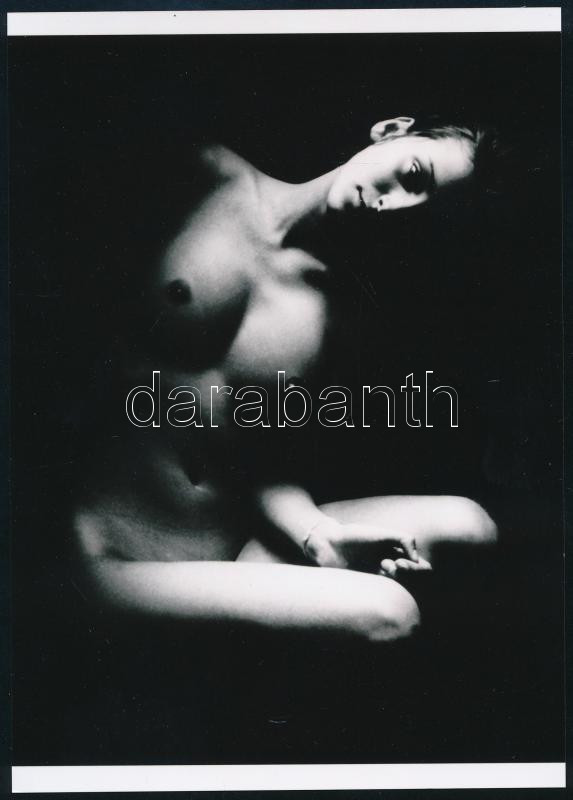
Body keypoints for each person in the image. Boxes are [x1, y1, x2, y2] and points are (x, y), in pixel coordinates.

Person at [72, 115, 498, 645]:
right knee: (390, 612)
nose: (394, 205)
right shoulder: (203, 174)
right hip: (107, 555)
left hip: (230, 555)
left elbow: (261, 461)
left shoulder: (342, 317)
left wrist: (321, 536)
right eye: (413, 175)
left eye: (426, 213)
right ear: (391, 131)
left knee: (470, 526)